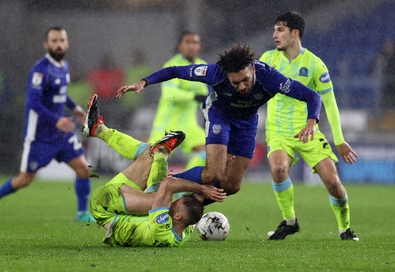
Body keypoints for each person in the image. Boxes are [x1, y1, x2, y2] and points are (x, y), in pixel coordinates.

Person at [117, 44, 322, 204]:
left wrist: (312, 121)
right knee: (213, 174)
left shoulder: (270, 77)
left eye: (245, 80)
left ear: (253, 69)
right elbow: (176, 71)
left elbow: (311, 96)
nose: (242, 86)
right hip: (219, 116)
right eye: (235, 83)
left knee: (231, 186)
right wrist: (143, 82)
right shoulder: (214, 72)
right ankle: (166, 184)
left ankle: (187, 203)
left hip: (247, 122)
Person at [259, 11, 359, 240]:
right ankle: (290, 221)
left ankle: (345, 228)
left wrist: (340, 139)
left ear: (295, 33)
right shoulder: (267, 59)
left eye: (280, 29)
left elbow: (329, 103)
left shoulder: (315, 65)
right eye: (274, 29)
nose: (275, 34)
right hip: (278, 130)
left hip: (309, 131)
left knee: (333, 183)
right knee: (278, 170)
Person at [82, 94, 226, 247]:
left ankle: (161, 153)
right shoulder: (185, 227)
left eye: (176, 203)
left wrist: (201, 188)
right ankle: (99, 130)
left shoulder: (161, 230)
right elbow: (194, 207)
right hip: (123, 206)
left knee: (160, 191)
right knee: (149, 155)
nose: (174, 201)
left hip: (104, 206)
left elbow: (168, 184)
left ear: (177, 216)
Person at [0, 27, 94, 222]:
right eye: (54, 41)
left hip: (61, 134)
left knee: (84, 169)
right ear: (46, 45)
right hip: (40, 136)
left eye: (61, 40)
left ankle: (82, 213)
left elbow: (60, 93)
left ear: (67, 43)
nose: (58, 44)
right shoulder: (40, 70)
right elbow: (33, 102)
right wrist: (56, 120)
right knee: (24, 180)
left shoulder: (64, 66)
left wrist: (74, 107)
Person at [149, 31, 209, 170]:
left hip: (189, 125)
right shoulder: (172, 65)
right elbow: (169, 93)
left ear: (200, 46)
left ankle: (183, 182)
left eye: (195, 42)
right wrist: (193, 96)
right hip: (167, 126)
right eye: (187, 42)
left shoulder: (202, 66)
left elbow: (204, 96)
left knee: (209, 152)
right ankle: (129, 189)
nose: (191, 46)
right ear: (180, 46)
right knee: (151, 165)